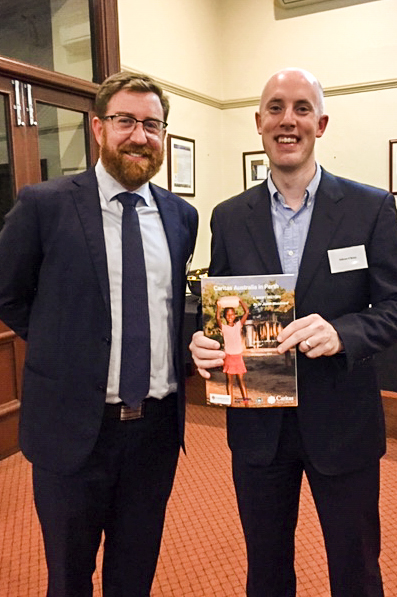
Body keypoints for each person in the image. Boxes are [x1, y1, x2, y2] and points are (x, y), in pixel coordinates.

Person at [190, 68, 397, 597]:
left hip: (343, 424)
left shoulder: (371, 208)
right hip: (259, 429)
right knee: (266, 569)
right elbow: (222, 306)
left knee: (356, 571)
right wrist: (204, 340)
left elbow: (394, 306)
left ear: (321, 123)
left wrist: (345, 331)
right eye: (276, 107)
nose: (289, 120)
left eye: (302, 108)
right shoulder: (230, 216)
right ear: (258, 122)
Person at [0, 71, 198, 597]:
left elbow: (168, 308)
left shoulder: (182, 217)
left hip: (155, 429)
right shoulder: (45, 205)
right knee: (68, 577)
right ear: (98, 128)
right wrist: (61, 346)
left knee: (135, 573)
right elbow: (9, 295)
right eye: (125, 120)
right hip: (72, 431)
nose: (139, 135)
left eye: (152, 124)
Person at [216, 298, 249, 403]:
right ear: (225, 316)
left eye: (232, 314)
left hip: (238, 357)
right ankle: (230, 403)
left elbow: (247, 312)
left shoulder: (239, 325)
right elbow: (217, 317)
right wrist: (218, 307)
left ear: (235, 315)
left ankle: (246, 402)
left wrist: (240, 301)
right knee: (229, 382)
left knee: (241, 381)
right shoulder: (223, 327)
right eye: (227, 315)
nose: (230, 317)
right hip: (229, 357)